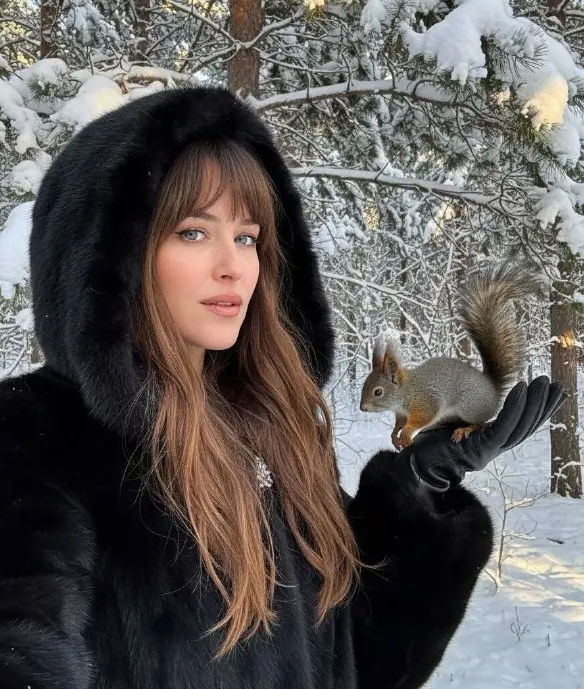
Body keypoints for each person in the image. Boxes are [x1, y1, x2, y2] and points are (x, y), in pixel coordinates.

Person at [0, 86, 564, 689]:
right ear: (103, 256)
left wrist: (418, 489)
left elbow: (358, 659)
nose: (234, 264)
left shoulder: (272, 431)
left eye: (247, 236)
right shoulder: (31, 444)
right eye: (193, 232)